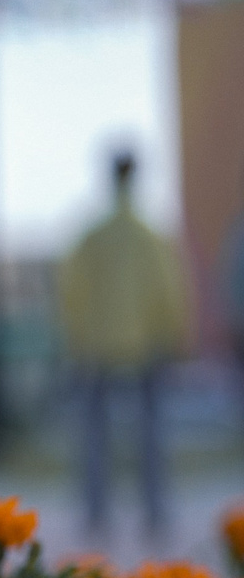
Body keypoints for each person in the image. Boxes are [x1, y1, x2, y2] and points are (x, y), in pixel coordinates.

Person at [55, 148, 190, 541]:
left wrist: (76, 336)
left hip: (96, 346)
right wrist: (173, 333)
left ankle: (97, 514)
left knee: (94, 436)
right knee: (152, 434)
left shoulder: (91, 235)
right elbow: (170, 289)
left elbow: (70, 288)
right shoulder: (150, 235)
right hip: (147, 343)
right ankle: (155, 513)